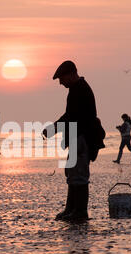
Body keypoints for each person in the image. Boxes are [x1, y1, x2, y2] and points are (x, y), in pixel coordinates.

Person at [42, 60, 105, 223]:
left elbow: (71, 117)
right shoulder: (77, 89)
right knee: (71, 173)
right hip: (78, 138)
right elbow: (70, 116)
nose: (60, 83)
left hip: (82, 139)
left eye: (61, 79)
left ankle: (80, 211)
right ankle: (71, 209)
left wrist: (53, 129)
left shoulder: (80, 90)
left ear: (71, 74)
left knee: (78, 175)